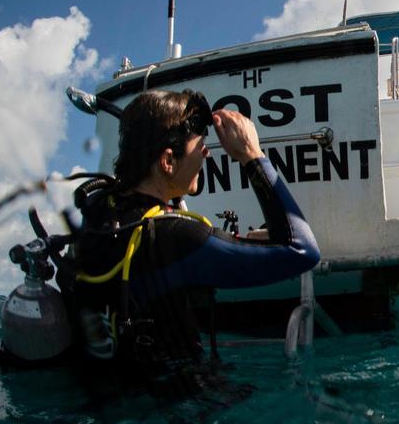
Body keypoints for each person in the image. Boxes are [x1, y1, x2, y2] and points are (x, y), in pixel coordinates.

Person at [71, 89, 320, 394]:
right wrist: (253, 157)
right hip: (182, 403)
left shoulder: (99, 211)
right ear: (167, 161)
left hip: (115, 396)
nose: (207, 153)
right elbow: (303, 251)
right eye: (200, 145)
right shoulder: (176, 236)